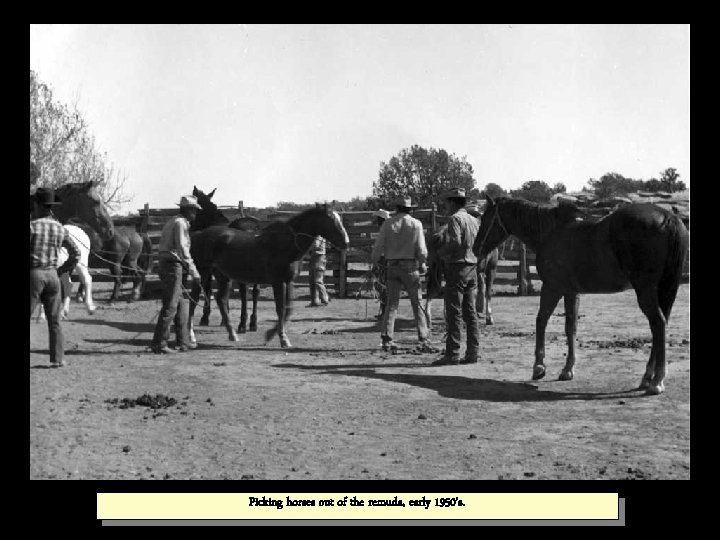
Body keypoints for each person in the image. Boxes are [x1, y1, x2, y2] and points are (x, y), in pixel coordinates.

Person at [371, 197, 435, 354]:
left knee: (391, 304)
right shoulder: (416, 224)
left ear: (397, 208)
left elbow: (378, 248)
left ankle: (387, 339)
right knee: (417, 304)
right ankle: (423, 338)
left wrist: (375, 261)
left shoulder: (387, 224)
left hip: (392, 267)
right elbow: (422, 250)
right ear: (410, 209)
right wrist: (423, 263)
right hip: (410, 268)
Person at [30, 187, 81, 367]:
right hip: (53, 275)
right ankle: (58, 359)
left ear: (37, 204)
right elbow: (76, 253)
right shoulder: (60, 228)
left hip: (34, 274)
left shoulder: (32, 226)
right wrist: (62, 270)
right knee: (55, 321)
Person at [432, 187, 480, 365]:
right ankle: (472, 352)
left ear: (452, 202)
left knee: (454, 312)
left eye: (446, 203)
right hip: (472, 267)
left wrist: (442, 254)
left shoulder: (455, 219)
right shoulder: (473, 220)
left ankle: (452, 354)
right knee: (470, 312)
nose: (445, 206)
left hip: (457, 267)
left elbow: (455, 241)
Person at [150, 195, 203, 354]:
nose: (195, 214)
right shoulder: (180, 224)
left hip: (169, 265)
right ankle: (159, 344)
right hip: (173, 266)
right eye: (194, 211)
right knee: (171, 305)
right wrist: (194, 272)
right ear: (188, 210)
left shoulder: (173, 221)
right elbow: (182, 249)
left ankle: (183, 342)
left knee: (181, 304)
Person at [371, 209, 390, 320]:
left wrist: (375, 264)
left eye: (378, 219)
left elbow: (380, 249)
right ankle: (384, 312)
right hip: (385, 260)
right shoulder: (388, 229)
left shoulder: (384, 231)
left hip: (384, 261)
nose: (377, 221)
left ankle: (385, 313)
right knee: (383, 288)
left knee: (383, 288)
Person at [307, 236, 330, 307]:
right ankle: (314, 301)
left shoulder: (319, 234)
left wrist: (307, 248)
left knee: (318, 280)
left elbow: (316, 245)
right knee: (312, 280)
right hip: (314, 257)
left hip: (319, 257)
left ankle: (325, 299)